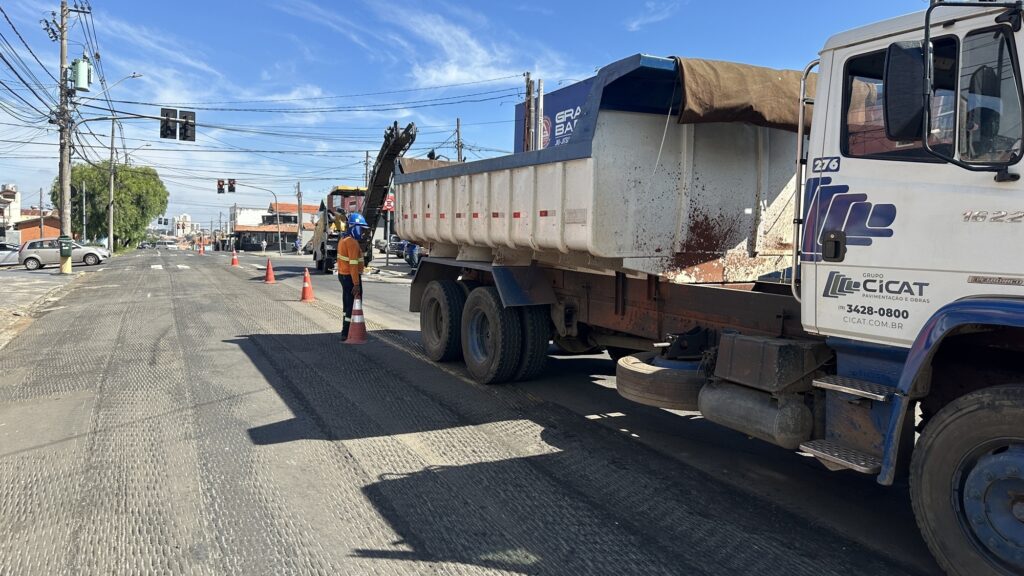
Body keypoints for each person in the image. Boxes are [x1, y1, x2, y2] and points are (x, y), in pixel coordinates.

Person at [337, 212, 367, 341]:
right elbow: (353, 265)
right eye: (361, 228)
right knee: (353, 305)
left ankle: (346, 328)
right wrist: (356, 284)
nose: (363, 232)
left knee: (347, 304)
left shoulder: (343, 240)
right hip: (350, 277)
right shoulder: (352, 243)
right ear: (355, 227)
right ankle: (348, 331)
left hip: (343, 275)